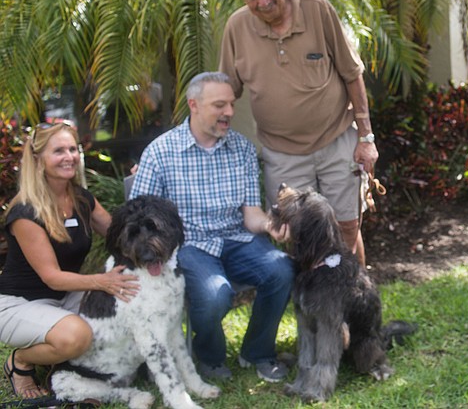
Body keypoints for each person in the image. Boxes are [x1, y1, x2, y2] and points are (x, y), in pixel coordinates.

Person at [129, 72, 295, 382]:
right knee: (215, 294)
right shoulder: (160, 153)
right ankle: (210, 356)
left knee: (281, 268)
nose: (229, 112)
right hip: (189, 244)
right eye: (220, 105)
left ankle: (257, 352)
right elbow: (139, 216)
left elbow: (251, 215)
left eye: (231, 104)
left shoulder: (243, 149)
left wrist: (270, 225)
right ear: (194, 104)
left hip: (237, 237)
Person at [220, 0, 379, 266]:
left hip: (336, 140)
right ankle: (311, 311)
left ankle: (353, 301)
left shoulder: (316, 8)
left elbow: (351, 73)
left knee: (347, 226)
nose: (263, 2)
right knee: (296, 236)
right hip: (282, 153)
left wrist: (366, 138)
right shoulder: (237, 27)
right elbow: (226, 90)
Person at [0, 122, 138, 400]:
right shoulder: (25, 211)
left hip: (66, 297)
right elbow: (52, 276)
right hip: (19, 303)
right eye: (59, 150)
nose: (69, 156)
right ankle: (21, 363)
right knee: (78, 336)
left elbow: (121, 236)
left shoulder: (81, 199)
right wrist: (102, 281)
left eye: (73, 149)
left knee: (126, 310)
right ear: (38, 161)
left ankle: (65, 366)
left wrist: (142, 182)